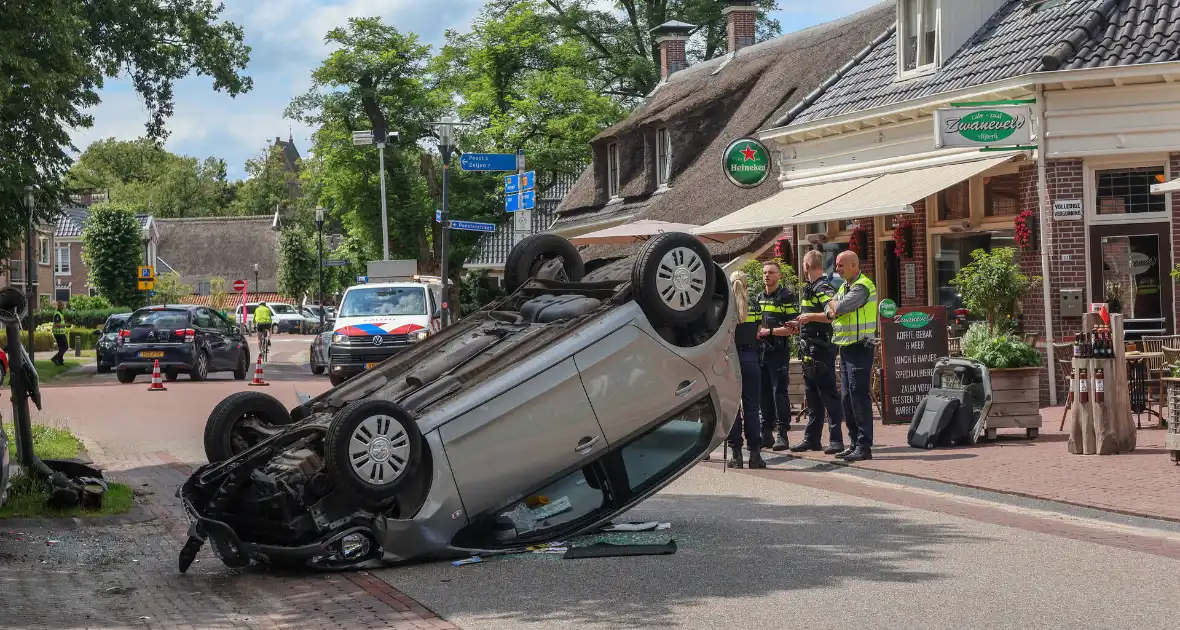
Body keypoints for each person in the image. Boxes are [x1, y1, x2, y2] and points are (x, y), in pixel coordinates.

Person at [790, 250, 845, 455]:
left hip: (821, 350)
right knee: (812, 397)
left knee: (828, 396)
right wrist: (800, 323)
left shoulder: (823, 287)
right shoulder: (812, 288)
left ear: (806, 266)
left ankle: (836, 440)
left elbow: (832, 313)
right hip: (809, 349)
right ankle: (812, 439)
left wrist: (809, 317)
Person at [825, 251, 878, 462]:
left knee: (858, 396)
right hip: (846, 348)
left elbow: (839, 307)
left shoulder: (862, 286)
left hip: (860, 347)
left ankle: (864, 447)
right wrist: (832, 308)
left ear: (854, 265)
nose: (836, 269)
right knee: (847, 398)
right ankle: (854, 442)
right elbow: (830, 308)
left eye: (840, 265)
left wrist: (833, 307)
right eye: (836, 265)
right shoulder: (844, 286)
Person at [756, 261, 799, 452]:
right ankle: (766, 433)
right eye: (765, 272)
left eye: (771, 272)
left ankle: (782, 434)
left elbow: (794, 329)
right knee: (763, 393)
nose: (767, 275)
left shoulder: (786, 297)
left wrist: (769, 332)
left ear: (779, 276)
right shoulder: (758, 298)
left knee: (778, 393)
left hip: (778, 353)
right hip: (761, 353)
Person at [726, 271, 765, 469]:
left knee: (733, 409)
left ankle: (736, 454)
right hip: (751, 359)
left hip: (732, 360)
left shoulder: (725, 307)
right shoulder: (755, 306)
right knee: (752, 408)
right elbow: (758, 332)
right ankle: (755, 455)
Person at [49, 301, 68, 366]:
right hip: (59, 333)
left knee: (61, 348)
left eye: (63, 305)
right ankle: (55, 359)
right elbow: (57, 324)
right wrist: (66, 324)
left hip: (60, 333)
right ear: (59, 306)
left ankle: (60, 361)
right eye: (62, 305)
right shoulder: (57, 314)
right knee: (65, 347)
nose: (63, 307)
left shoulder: (60, 313)